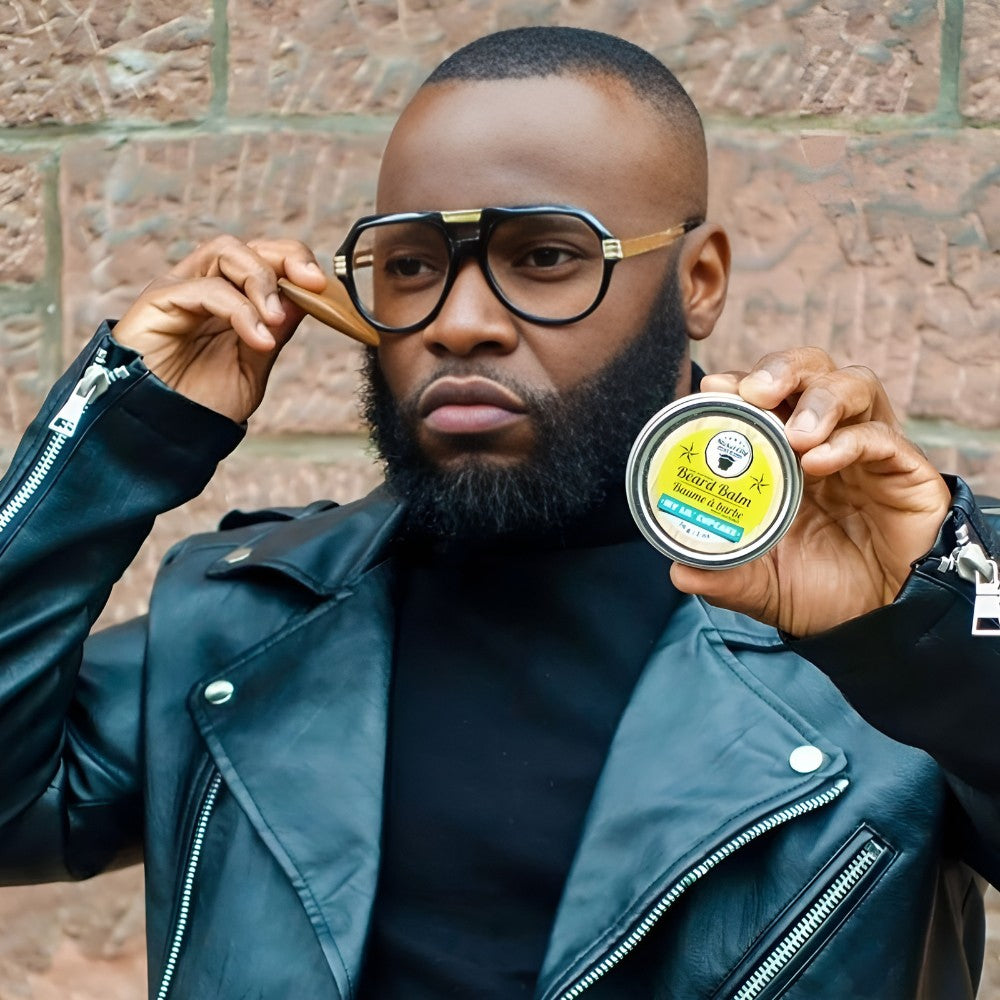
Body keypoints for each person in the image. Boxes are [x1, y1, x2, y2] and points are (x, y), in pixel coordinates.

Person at [0, 24, 998, 1000]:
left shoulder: (887, 634)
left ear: (696, 282)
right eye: (411, 264)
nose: (458, 322)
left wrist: (937, 601)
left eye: (547, 257)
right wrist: (115, 435)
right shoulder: (241, 630)